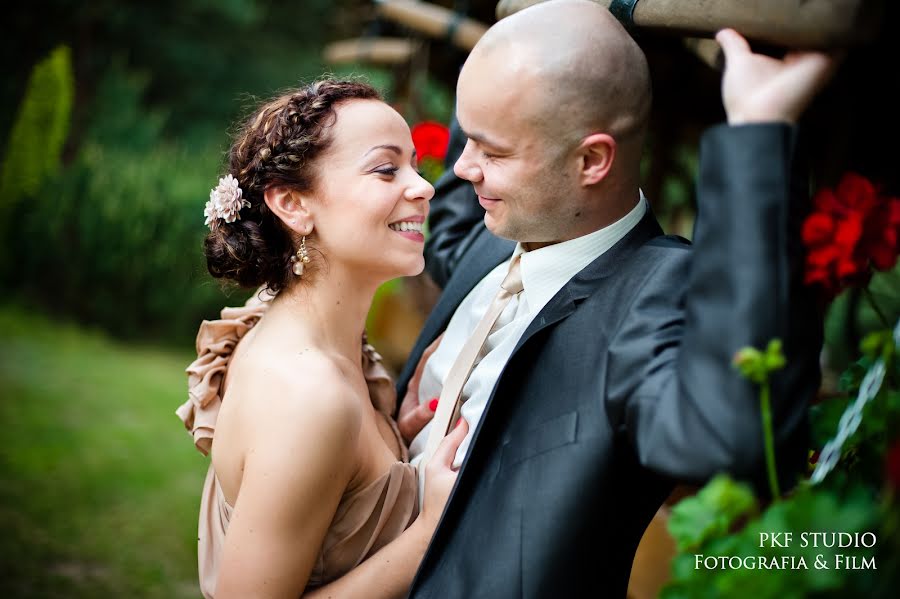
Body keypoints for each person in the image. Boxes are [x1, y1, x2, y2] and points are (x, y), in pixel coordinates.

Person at [394, 1, 838, 597]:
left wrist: (758, 133)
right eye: (468, 139)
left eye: (493, 151)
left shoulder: (655, 295)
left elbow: (728, 435)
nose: (461, 167)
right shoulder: (494, 234)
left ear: (592, 160)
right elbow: (449, 221)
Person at [175, 79, 468, 598]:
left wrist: (385, 439)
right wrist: (425, 536)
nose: (424, 187)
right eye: (386, 169)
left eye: (417, 167)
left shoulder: (308, 335)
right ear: (292, 204)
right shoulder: (308, 398)